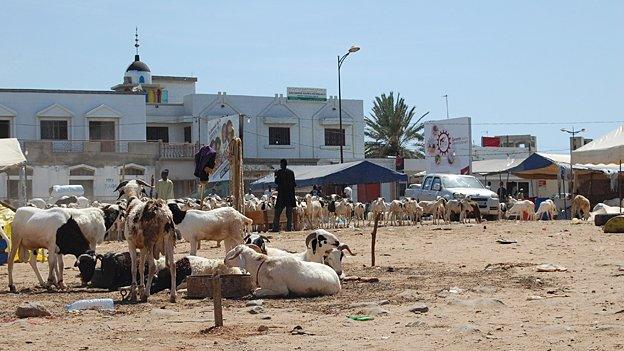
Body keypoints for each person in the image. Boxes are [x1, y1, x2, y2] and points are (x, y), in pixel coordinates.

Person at [272, 159, 296, 232]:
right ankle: (289, 228)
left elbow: (276, 182)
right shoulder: (291, 172)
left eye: (281, 164)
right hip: (289, 196)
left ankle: (276, 228)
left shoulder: (278, 172)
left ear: (282, 164)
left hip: (282, 196)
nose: (280, 165)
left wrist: (275, 176)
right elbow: (294, 184)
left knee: (277, 213)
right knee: (289, 214)